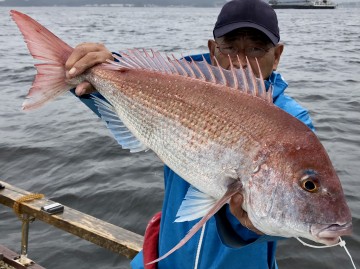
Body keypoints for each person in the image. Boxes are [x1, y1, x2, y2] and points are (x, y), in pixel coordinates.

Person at [65, 0, 315, 268]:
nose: (241, 62)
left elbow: (281, 208)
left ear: (276, 55)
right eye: (229, 47)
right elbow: (123, 107)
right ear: (212, 49)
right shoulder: (177, 90)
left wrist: (248, 225)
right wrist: (86, 71)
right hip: (169, 258)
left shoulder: (291, 120)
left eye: (256, 48)